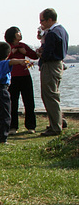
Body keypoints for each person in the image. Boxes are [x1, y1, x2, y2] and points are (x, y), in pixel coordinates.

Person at [37, 8, 69, 137]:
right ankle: (58, 121)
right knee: (53, 94)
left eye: (42, 20)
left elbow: (47, 54)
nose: (41, 23)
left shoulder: (52, 33)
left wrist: (40, 53)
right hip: (58, 65)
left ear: (50, 19)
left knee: (49, 96)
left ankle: (55, 127)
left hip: (50, 66)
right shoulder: (62, 31)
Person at [0, 42, 29, 144]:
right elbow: (11, 62)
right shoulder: (3, 63)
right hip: (2, 90)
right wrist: (21, 61)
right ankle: (2, 139)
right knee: (5, 116)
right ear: (8, 54)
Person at [4, 26, 39, 134]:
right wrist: (12, 53)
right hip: (12, 78)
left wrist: (25, 52)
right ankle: (13, 127)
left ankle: (30, 126)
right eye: (17, 32)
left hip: (25, 76)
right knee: (13, 103)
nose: (20, 33)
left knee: (29, 102)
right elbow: (1, 59)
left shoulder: (23, 46)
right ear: (12, 35)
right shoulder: (7, 47)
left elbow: (35, 56)